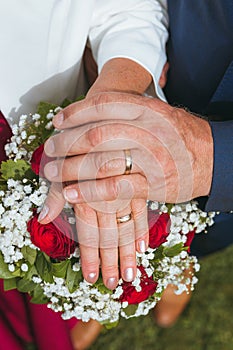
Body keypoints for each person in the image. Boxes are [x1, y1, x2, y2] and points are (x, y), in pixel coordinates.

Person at [42, 0, 233, 330]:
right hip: (167, 44)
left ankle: (182, 262)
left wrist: (215, 160)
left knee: (213, 226)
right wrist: (125, 58)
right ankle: (105, 278)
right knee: (101, 180)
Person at [0, 1, 168, 348]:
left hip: (36, 132)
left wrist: (109, 115)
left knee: (50, 252)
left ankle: (61, 320)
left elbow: (128, 12)